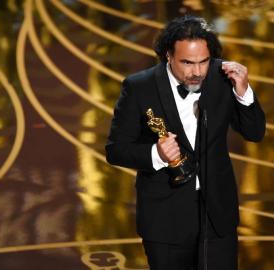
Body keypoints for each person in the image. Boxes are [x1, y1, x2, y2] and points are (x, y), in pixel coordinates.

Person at [106, 15, 265, 270]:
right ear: (168, 55)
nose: (197, 72)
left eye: (203, 61)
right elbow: (115, 150)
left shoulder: (223, 77)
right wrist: (155, 154)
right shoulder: (139, 87)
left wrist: (243, 92)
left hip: (217, 215)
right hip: (165, 218)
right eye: (188, 63)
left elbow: (255, 132)